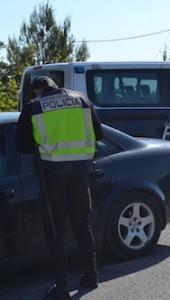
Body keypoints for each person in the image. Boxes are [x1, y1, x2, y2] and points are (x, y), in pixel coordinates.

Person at [16, 76, 103, 300]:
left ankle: (61, 286)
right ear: (55, 85)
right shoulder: (82, 100)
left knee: (56, 231)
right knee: (82, 225)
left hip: (52, 175)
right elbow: (99, 134)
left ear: (37, 90)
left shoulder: (34, 107)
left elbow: (22, 146)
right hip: (81, 173)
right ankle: (91, 276)